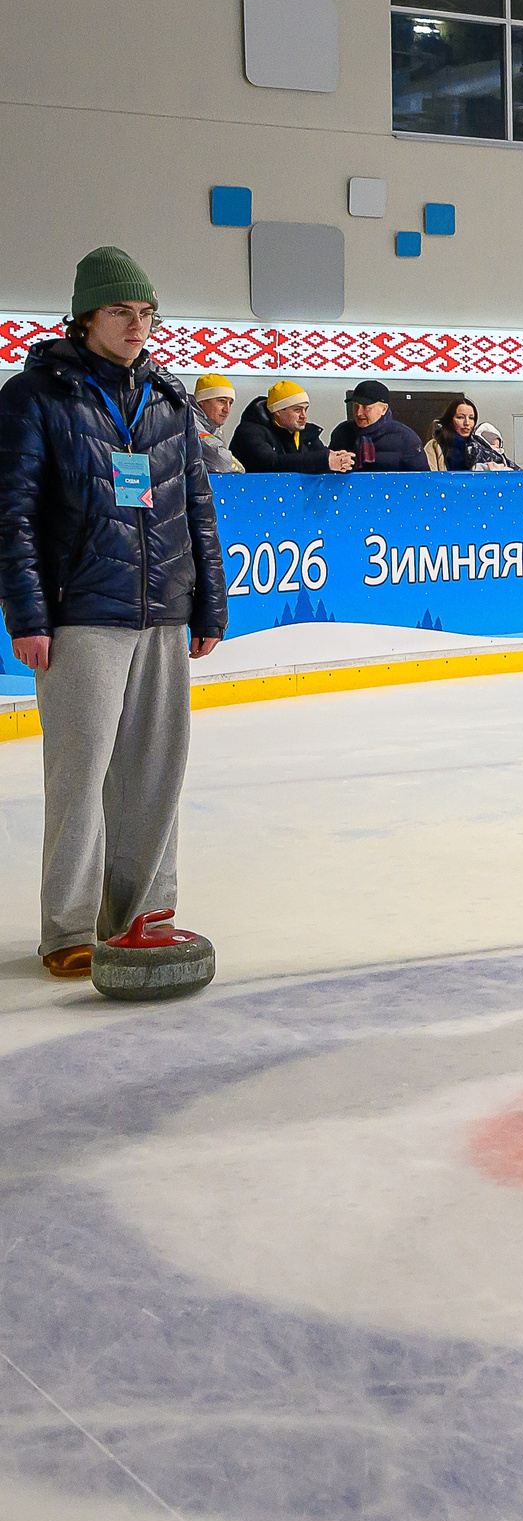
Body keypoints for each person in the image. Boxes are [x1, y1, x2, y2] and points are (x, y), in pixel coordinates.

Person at [0, 248, 225, 979]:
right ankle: (67, 925)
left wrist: (208, 605)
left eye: (146, 313)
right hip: (81, 612)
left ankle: (143, 912)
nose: (138, 325)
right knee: (81, 770)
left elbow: (198, 506)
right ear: (86, 317)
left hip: (162, 608)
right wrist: (28, 614)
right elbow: (15, 514)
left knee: (157, 769)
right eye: (122, 312)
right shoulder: (35, 396)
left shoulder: (168, 399)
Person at [232, 380, 354, 473]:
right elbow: (270, 463)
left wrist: (342, 461)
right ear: (277, 412)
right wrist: (324, 460)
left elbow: (322, 458)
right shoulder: (249, 432)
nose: (304, 416)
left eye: (305, 409)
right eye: (297, 410)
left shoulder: (306, 434)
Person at [331, 380, 428, 472]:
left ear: (384, 409)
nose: (359, 413)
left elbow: (421, 480)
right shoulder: (342, 432)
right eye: (356, 406)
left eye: (366, 408)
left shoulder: (406, 438)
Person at [427, 396, 519, 471]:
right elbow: (430, 478)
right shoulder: (435, 446)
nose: (467, 423)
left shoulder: (482, 446)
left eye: (471, 418)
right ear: (450, 420)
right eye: (460, 417)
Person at [191, 374, 243, 474]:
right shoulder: (189, 421)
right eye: (221, 401)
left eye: (230, 403)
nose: (226, 410)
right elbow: (222, 463)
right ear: (201, 401)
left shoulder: (213, 426)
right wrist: (239, 469)